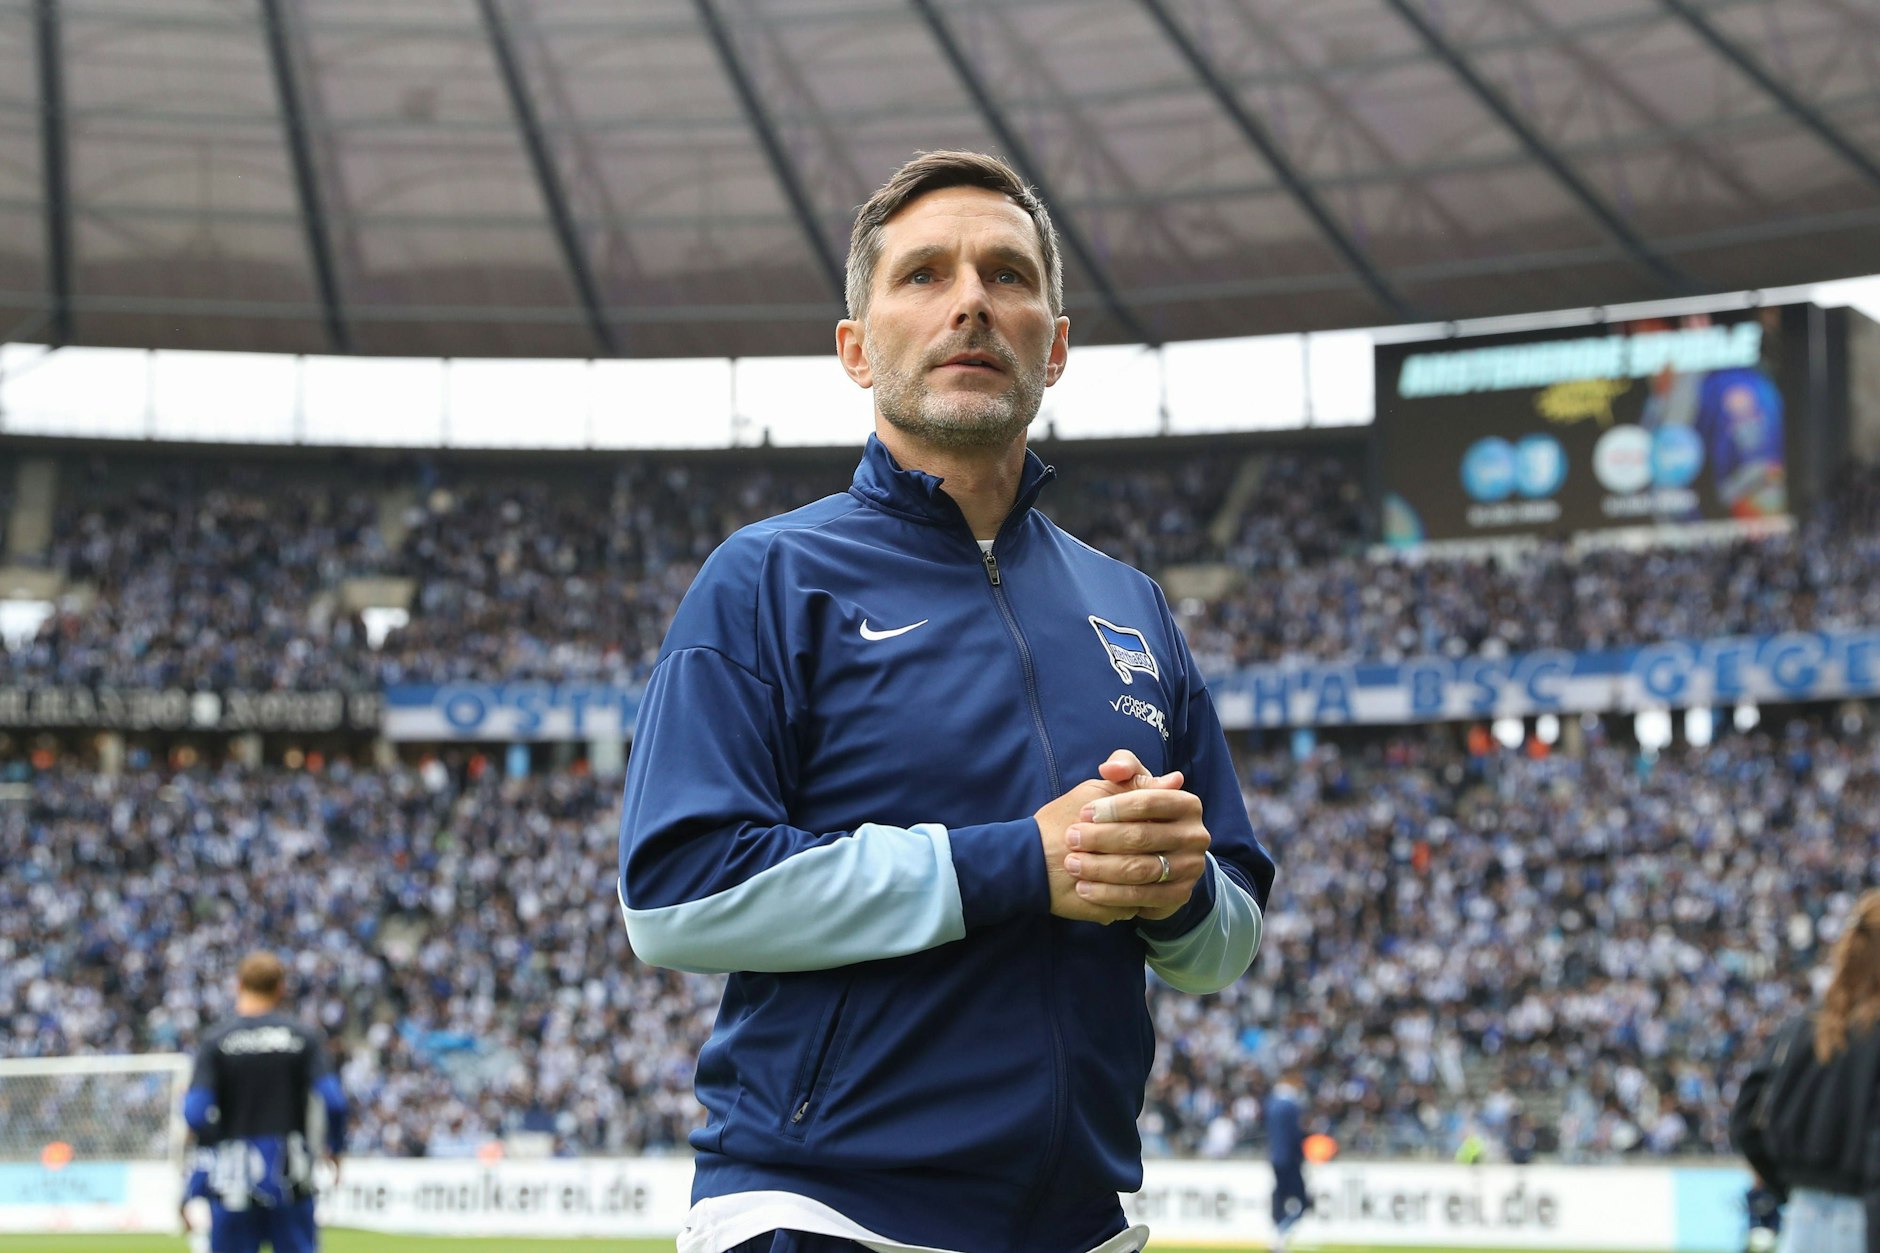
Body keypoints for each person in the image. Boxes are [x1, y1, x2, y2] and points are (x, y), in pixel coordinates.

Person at [618, 149, 1275, 1253]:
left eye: (1007, 276)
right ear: (855, 349)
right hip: (822, 1213)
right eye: (922, 274)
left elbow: (1225, 940)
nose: (970, 299)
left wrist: (1170, 887)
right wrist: (1021, 861)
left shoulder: (1132, 607)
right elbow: (675, 897)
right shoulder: (767, 577)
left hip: (1082, 1226)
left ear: (1054, 347)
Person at [1730, 887, 1880, 1253]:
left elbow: (1746, 1120)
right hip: (1863, 1220)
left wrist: (1788, 1183)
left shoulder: (1803, 1027)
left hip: (1803, 1218)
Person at [183, 951, 348, 1253]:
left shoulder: (217, 1040)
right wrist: (334, 1149)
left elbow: (194, 1112)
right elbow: (334, 1101)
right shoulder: (303, 1036)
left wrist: (219, 1146)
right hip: (290, 1174)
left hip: (234, 1175)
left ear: (238, 985)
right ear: (281, 989)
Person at [1263, 1071, 1310, 1250]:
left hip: (1276, 1157)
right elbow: (1294, 1136)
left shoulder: (1272, 1103)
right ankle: (1281, 1233)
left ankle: (1277, 1233)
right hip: (1289, 1159)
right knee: (1301, 1200)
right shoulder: (1290, 1106)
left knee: (1280, 1196)